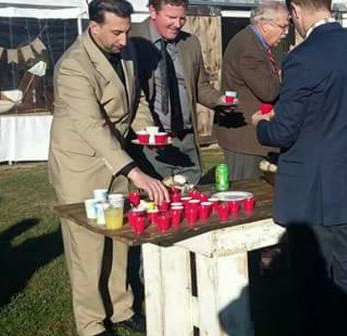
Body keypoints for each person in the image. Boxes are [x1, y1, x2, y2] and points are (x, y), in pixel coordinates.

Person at [251, 0, 347, 334]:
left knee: (312, 279)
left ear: (296, 10)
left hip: (314, 188)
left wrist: (261, 124)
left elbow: (284, 130)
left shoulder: (303, 57)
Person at [48, 1, 169, 335]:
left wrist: (147, 130)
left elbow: (136, 97)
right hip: (80, 163)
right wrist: (135, 171)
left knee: (119, 240)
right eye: (116, 32)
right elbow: (91, 127)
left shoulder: (125, 50)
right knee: (86, 247)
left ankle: (121, 309)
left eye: (127, 30)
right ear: (93, 27)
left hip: (116, 157)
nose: (123, 39)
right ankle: (90, 323)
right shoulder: (73, 65)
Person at [129, 0, 233, 185]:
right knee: (157, 201)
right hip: (152, 143)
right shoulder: (132, 40)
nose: (177, 24)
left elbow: (200, 87)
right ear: (153, 11)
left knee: (191, 194)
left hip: (186, 138)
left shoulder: (190, 43)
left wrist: (220, 100)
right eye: (171, 17)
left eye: (182, 18)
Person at [216, 0, 288, 181]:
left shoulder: (256, 43)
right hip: (245, 139)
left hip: (251, 137)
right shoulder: (249, 48)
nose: (286, 32)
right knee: (247, 190)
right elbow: (268, 91)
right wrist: (284, 73)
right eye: (283, 26)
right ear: (264, 25)